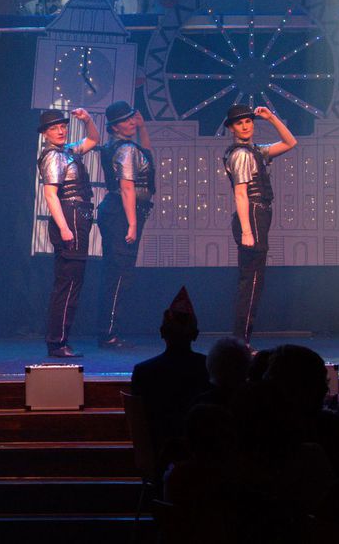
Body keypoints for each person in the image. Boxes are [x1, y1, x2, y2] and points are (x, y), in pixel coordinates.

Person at [222, 104, 296, 346]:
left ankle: (242, 340)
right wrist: (247, 231)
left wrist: (271, 118)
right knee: (251, 282)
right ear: (232, 128)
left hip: (259, 214)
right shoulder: (242, 155)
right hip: (252, 214)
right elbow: (240, 193)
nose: (245, 126)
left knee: (254, 281)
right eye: (239, 123)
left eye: (249, 121)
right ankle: (241, 341)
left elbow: (290, 143)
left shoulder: (255, 151)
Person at [37, 108, 100, 357]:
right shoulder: (53, 156)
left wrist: (87, 120)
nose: (61, 131)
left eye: (63, 126)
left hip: (78, 214)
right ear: (45, 133)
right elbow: (51, 195)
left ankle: (60, 340)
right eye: (54, 128)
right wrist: (64, 227)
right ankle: (57, 342)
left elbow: (93, 139)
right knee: (68, 281)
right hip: (69, 215)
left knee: (73, 280)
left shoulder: (68, 151)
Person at [130, 287, 211, 478]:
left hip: (157, 455)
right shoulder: (207, 368)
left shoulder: (143, 371)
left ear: (162, 333)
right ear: (195, 334)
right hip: (204, 459)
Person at [96, 102, 153, 349]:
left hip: (117, 211)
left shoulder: (120, 146)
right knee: (120, 272)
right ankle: (108, 333)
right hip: (122, 212)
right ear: (115, 126)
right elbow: (127, 187)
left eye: (132, 118)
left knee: (118, 271)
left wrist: (143, 128)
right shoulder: (126, 149)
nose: (131, 122)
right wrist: (132, 223)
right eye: (126, 120)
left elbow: (147, 155)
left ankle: (109, 331)